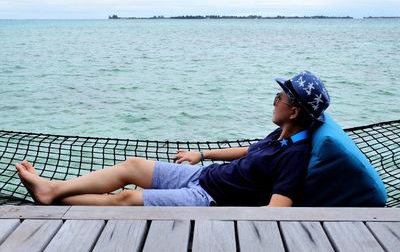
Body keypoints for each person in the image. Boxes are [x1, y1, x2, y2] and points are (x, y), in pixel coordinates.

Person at [16, 70, 330, 207]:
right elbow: (250, 150)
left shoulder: (295, 155)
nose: (275, 99)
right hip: (202, 175)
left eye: (281, 96)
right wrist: (202, 156)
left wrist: (230, 213)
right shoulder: (281, 135)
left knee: (124, 198)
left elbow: (277, 210)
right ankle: (52, 190)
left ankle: (50, 197)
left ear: (293, 112)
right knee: (133, 166)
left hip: (207, 199)